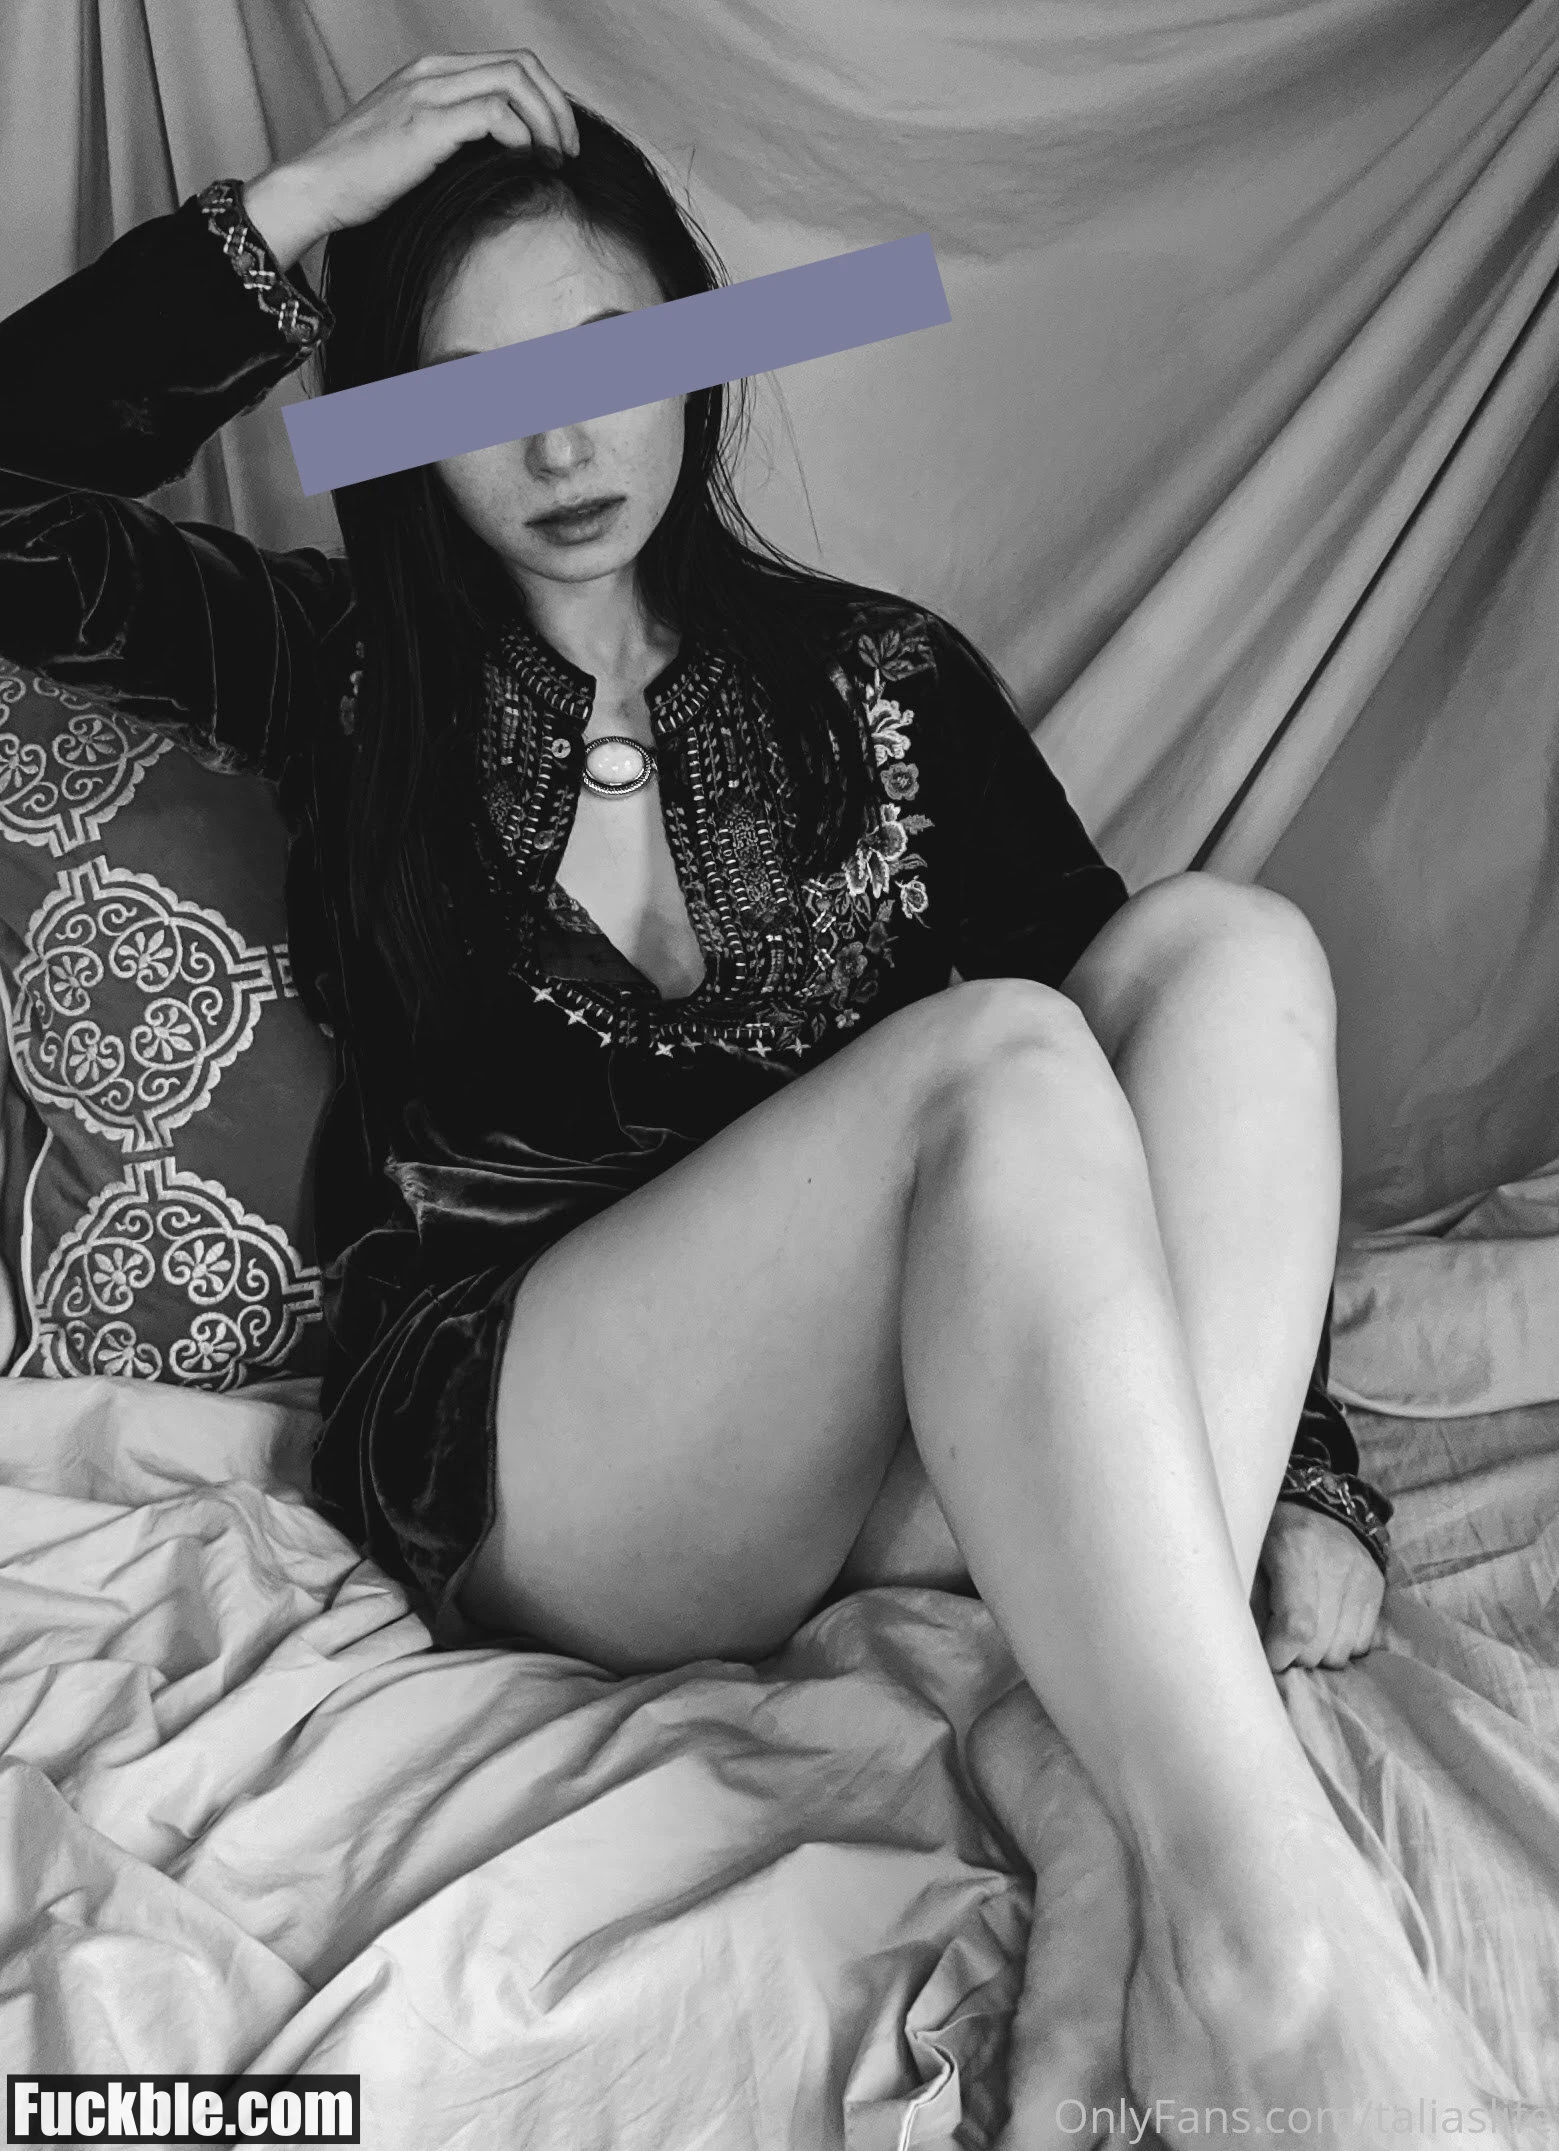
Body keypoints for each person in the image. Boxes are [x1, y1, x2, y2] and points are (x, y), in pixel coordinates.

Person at [0, 50, 1494, 2150]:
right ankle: (1266, 1941)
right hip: (551, 1459)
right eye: (471, 389)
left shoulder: (878, 676)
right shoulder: (338, 667)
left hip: (891, 1447)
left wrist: (1303, 1467)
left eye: (612, 357)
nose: (560, 439)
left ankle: (1091, 1791)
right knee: (1000, 1055)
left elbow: (1165, 1097)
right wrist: (305, 202)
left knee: (1225, 950)